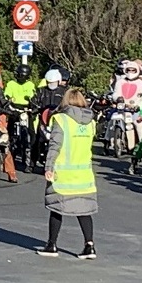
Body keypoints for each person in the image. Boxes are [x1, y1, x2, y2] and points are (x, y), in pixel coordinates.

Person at [37, 88, 98, 260]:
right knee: (84, 210)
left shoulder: (61, 120)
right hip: (84, 175)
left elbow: (54, 146)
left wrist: (48, 167)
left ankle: (52, 245)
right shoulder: (91, 123)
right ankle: (89, 246)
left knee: (57, 209)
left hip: (63, 174)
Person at [27, 69, 67, 171]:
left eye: (53, 82)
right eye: (49, 82)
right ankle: (31, 164)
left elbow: (70, 103)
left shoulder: (65, 92)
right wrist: (34, 107)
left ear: (59, 81)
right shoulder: (41, 91)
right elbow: (33, 101)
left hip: (59, 121)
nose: (51, 84)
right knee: (35, 140)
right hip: (44, 120)